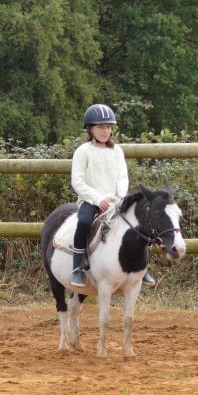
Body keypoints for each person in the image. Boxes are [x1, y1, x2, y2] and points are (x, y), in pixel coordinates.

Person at [69, 104, 154, 288]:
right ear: (90, 128)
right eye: (100, 127)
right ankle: (77, 268)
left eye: (108, 127)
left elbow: (122, 177)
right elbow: (78, 182)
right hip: (91, 201)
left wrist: (120, 198)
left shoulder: (117, 151)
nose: (105, 131)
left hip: (116, 200)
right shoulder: (83, 152)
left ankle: (142, 267)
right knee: (83, 222)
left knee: (139, 221)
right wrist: (99, 199)